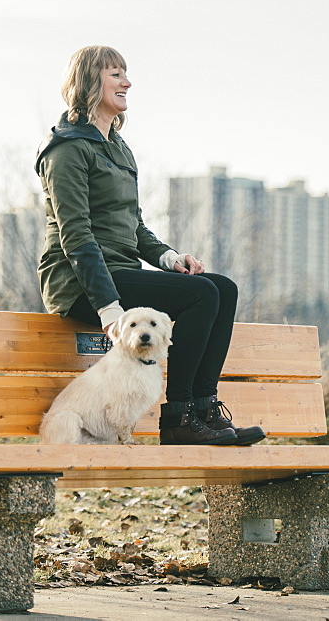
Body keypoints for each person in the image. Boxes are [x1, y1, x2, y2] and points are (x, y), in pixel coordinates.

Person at [35, 45, 265, 447]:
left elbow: (133, 225)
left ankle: (204, 407)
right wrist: (109, 310)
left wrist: (170, 258)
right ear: (90, 81)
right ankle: (178, 418)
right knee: (200, 296)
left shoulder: (118, 149)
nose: (127, 82)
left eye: (125, 73)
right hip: (79, 283)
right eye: (115, 74)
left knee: (222, 288)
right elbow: (76, 236)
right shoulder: (67, 148)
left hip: (122, 272)